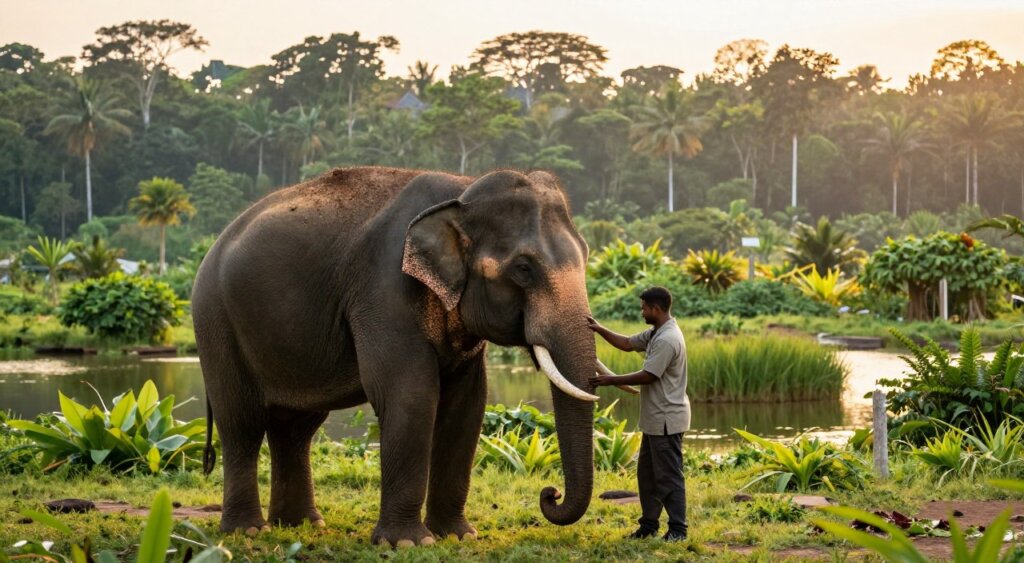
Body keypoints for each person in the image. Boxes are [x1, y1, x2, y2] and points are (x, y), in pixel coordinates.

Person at [587, 286, 689, 542]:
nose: (641, 311)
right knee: (647, 475)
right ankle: (649, 525)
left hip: (667, 419)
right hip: (656, 420)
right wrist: (599, 329)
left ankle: (678, 529)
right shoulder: (657, 332)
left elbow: (649, 375)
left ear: (655, 309)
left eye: (644, 307)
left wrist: (611, 380)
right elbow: (627, 343)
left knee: (668, 476)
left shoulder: (667, 339)